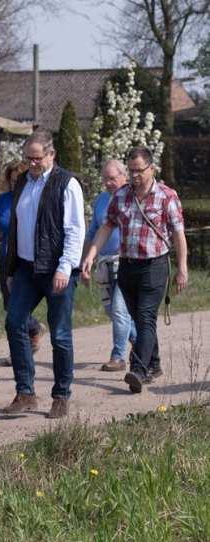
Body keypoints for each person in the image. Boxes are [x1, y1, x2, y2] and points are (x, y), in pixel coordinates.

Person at [82, 146, 188, 393]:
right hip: (127, 265)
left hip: (154, 266)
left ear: (152, 168)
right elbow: (106, 227)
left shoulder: (167, 196)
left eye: (139, 170)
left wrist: (182, 268)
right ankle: (155, 363)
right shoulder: (121, 196)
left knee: (145, 316)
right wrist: (90, 256)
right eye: (131, 171)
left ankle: (138, 370)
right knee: (141, 321)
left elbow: (179, 234)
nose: (135, 176)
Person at [2, 131, 85, 419]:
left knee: (60, 334)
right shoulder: (23, 182)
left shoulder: (67, 184)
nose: (33, 163)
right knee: (14, 322)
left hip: (56, 269)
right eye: (29, 158)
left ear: (52, 155)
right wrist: (11, 269)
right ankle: (25, 392)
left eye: (38, 158)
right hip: (26, 268)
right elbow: (15, 227)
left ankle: (61, 395)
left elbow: (75, 229)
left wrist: (65, 267)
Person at [0, 160, 47, 366]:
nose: (15, 184)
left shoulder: (34, 198)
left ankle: (19, 352)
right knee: (10, 306)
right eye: (12, 180)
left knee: (18, 308)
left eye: (19, 180)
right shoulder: (2, 201)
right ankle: (34, 329)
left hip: (28, 261)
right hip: (8, 261)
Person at [82, 159, 136, 372]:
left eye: (112, 178)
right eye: (105, 178)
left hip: (125, 262)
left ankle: (118, 356)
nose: (108, 183)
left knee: (119, 309)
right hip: (104, 263)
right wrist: (84, 260)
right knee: (111, 311)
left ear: (124, 176)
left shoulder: (133, 199)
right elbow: (93, 231)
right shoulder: (101, 200)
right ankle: (142, 343)